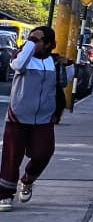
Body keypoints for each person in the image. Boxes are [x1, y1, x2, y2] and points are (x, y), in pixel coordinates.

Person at [0, 26, 59, 211]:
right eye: (30, 39)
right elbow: (18, 65)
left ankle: (27, 179)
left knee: (43, 153)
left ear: (48, 44)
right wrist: (31, 43)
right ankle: (5, 194)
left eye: (37, 40)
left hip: (44, 118)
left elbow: (62, 84)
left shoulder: (53, 62)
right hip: (18, 116)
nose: (31, 43)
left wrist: (69, 66)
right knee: (11, 157)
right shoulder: (21, 57)